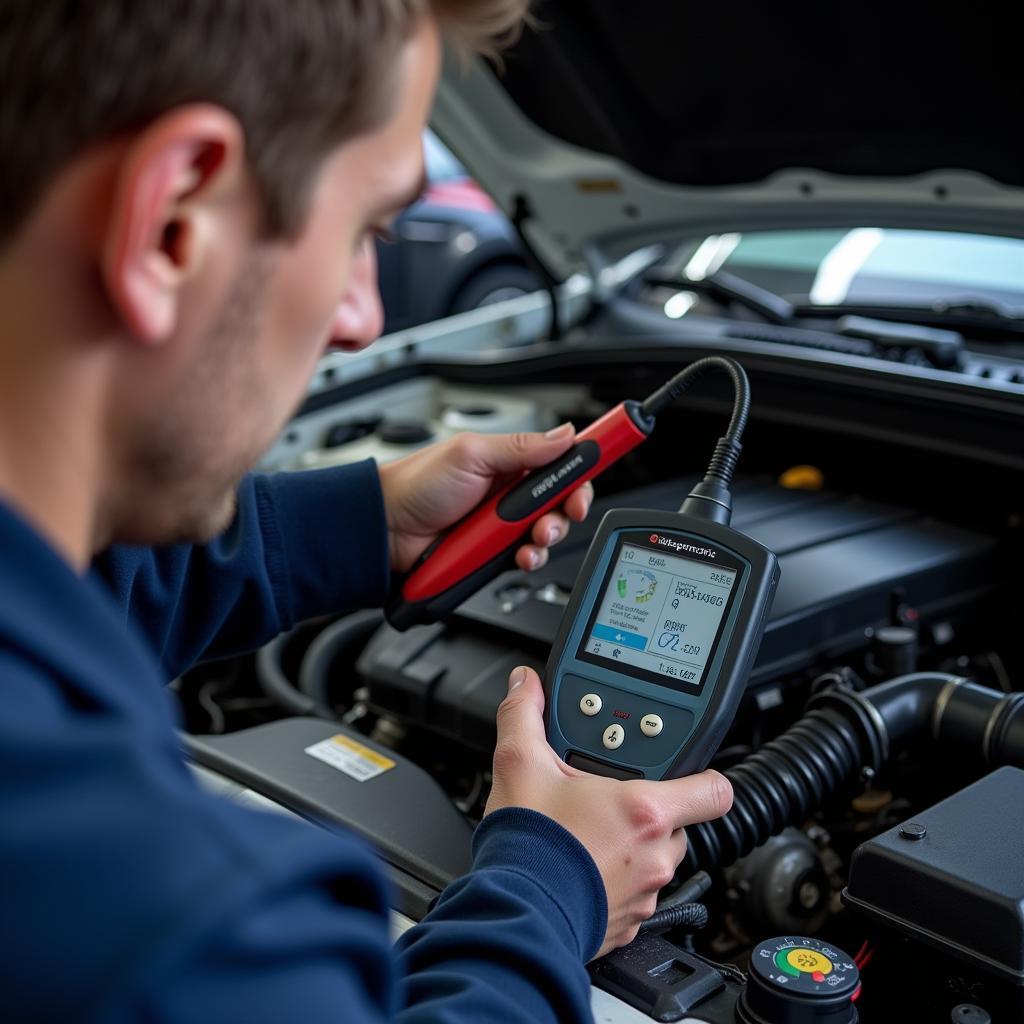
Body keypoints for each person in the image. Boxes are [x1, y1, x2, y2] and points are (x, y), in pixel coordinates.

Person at [0, 2, 733, 1021]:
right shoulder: (178, 930)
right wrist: (547, 888)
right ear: (173, 220)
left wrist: (349, 526)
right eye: (363, 233)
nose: (364, 318)